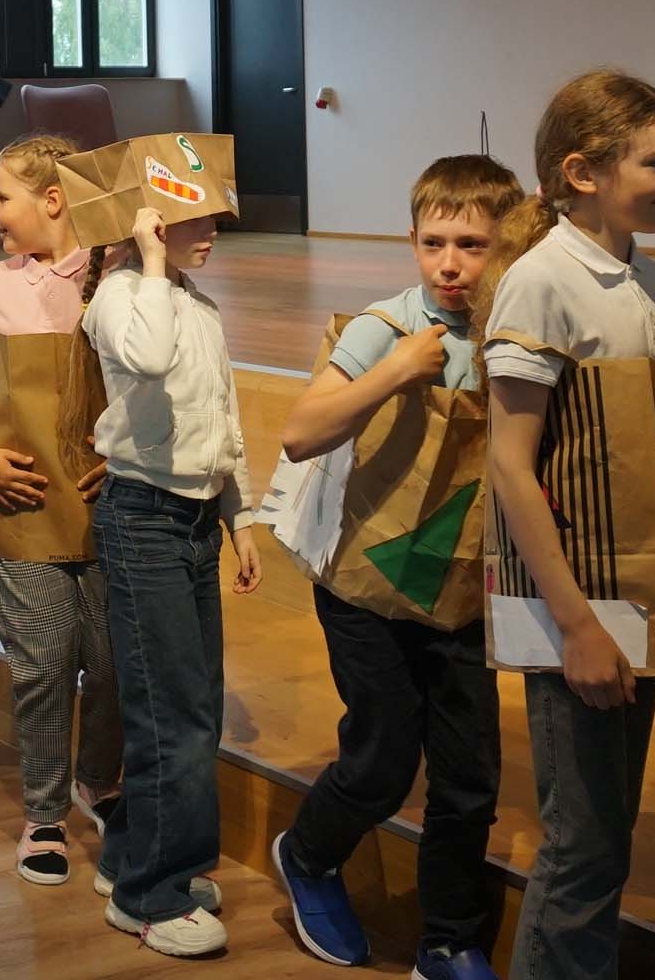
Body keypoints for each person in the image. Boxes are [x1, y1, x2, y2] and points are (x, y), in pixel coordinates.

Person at [270, 155, 526, 979]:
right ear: (411, 241)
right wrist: (393, 372)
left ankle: (449, 938)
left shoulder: (516, 331)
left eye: (473, 246)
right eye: (433, 243)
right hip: (366, 589)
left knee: (470, 779)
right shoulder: (386, 326)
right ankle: (308, 855)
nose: (450, 265)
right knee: (381, 761)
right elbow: (301, 432)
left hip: (464, 590)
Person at [479, 70, 655, 980]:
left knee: (606, 838)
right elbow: (510, 465)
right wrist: (577, 626)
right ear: (583, 172)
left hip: (629, 596)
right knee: (583, 846)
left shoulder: (649, 277)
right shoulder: (541, 283)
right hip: (578, 609)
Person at [80, 145, 262, 960]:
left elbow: (223, 419)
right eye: (195, 216)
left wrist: (240, 518)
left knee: (194, 706)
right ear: (148, 220)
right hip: (142, 518)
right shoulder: (121, 295)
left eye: (215, 215)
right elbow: (148, 356)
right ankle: (150, 896)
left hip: (192, 522)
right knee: (171, 715)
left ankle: (133, 855)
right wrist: (149, 259)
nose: (212, 229)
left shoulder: (197, 303)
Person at [0, 134, 119, 884]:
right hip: (17, 505)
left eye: (1, 196)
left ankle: (99, 781)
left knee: (109, 663)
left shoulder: (119, 281)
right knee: (43, 664)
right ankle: (43, 812)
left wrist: (126, 457)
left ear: (53, 200)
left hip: (109, 509)